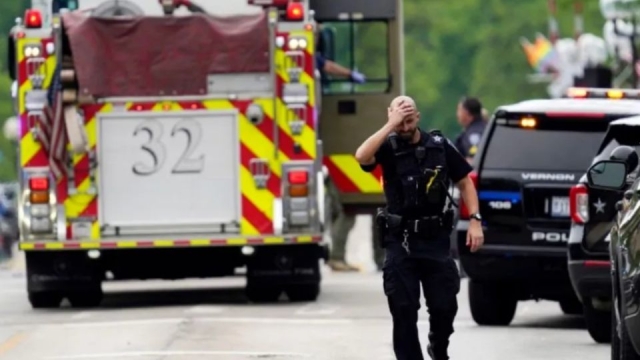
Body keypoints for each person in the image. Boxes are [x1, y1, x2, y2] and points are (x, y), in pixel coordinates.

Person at [355, 96, 484, 360]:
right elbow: (362, 156)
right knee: (403, 309)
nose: (404, 127)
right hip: (400, 241)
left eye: (409, 121)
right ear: (390, 117)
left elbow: (465, 182)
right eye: (399, 121)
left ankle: (438, 346)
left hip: (435, 240)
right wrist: (390, 125)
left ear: (418, 117)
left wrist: (475, 220)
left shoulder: (439, 145)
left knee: (444, 306)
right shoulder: (387, 146)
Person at [454, 97, 486, 164]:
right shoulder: (486, 127)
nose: (457, 115)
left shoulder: (474, 133)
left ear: (466, 112)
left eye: (459, 110)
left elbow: (474, 157)